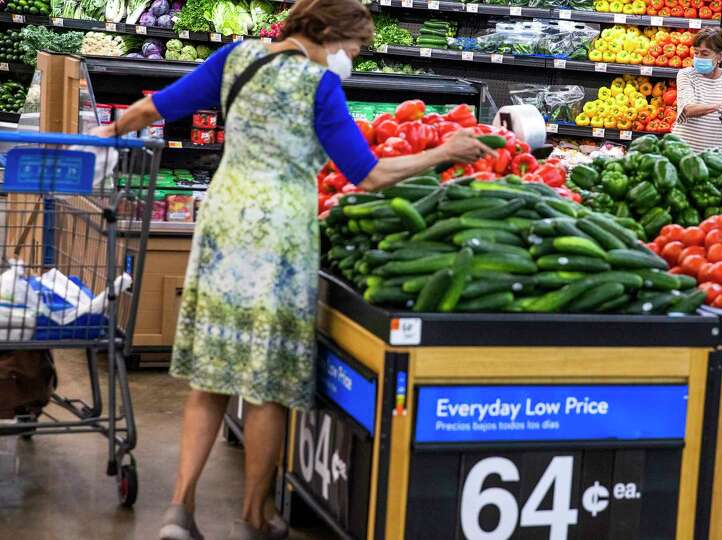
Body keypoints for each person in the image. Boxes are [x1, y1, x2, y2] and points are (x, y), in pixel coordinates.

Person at [91, 0, 494, 538]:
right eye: (354, 46)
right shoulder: (319, 85)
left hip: (222, 226)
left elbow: (154, 108)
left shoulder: (238, 57)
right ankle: (256, 514)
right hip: (279, 238)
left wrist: (105, 135)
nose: (353, 56)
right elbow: (368, 175)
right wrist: (442, 153)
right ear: (328, 33)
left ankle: (178, 511)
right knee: (267, 384)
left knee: (210, 378)